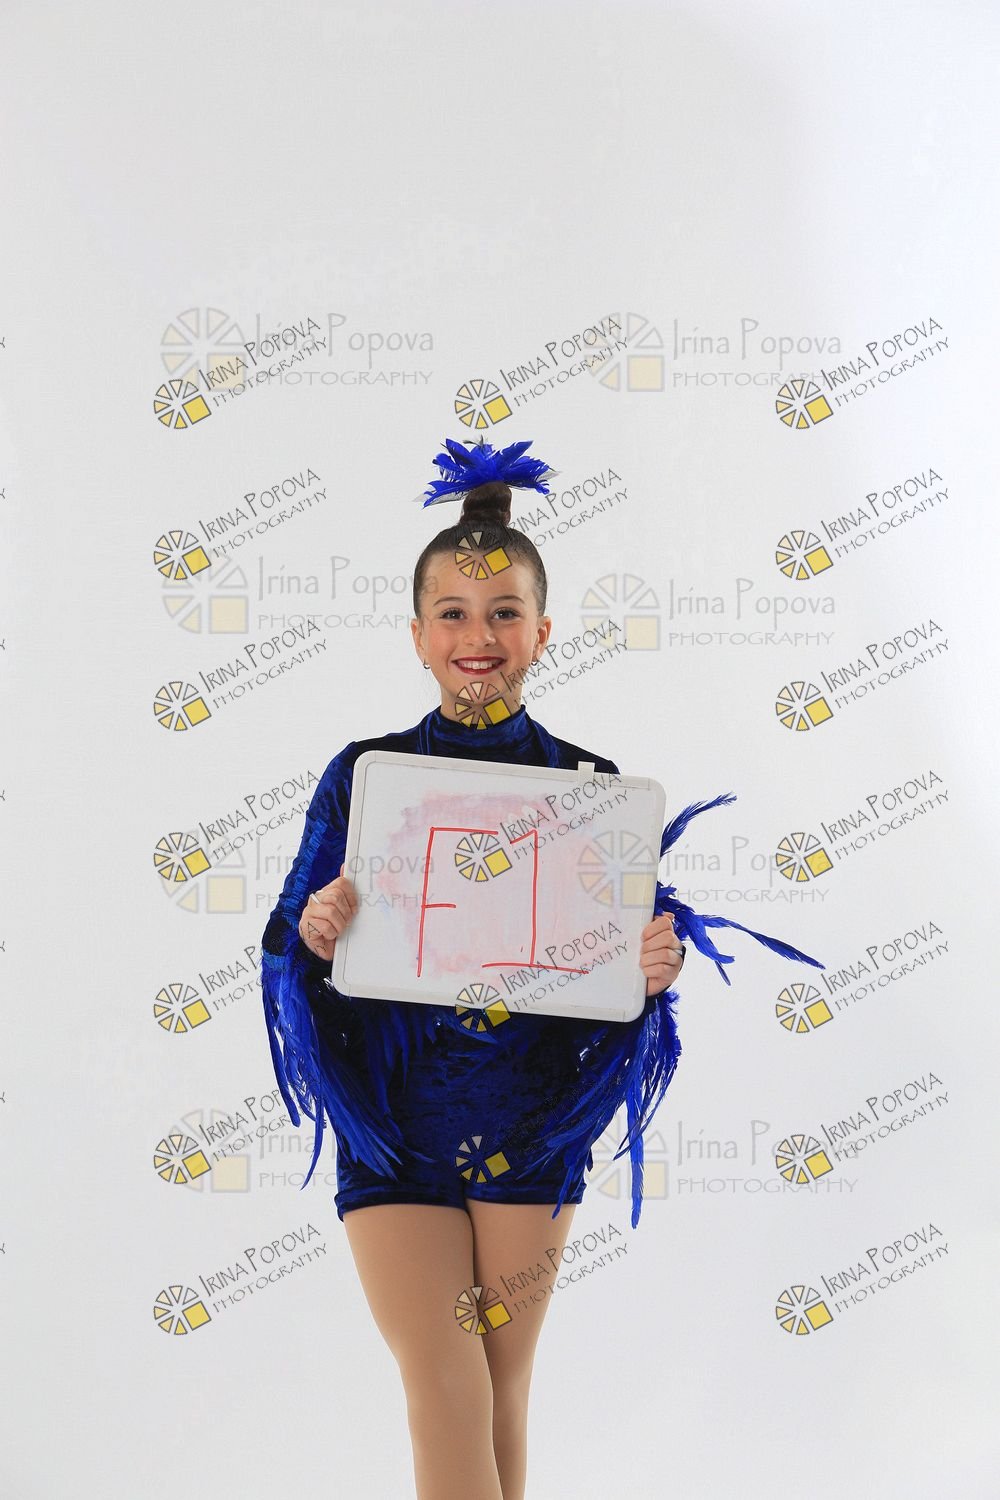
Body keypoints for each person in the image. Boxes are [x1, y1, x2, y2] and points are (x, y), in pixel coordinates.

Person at [260, 436, 823, 1500]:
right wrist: (316, 934)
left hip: (529, 1129)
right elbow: (285, 941)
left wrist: (650, 969)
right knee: (445, 1385)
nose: (479, 637)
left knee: (498, 1393)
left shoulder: (588, 786)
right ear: (418, 634)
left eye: (503, 612)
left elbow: (609, 977)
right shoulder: (363, 775)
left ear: (542, 632)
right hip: (393, 1131)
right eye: (454, 614)